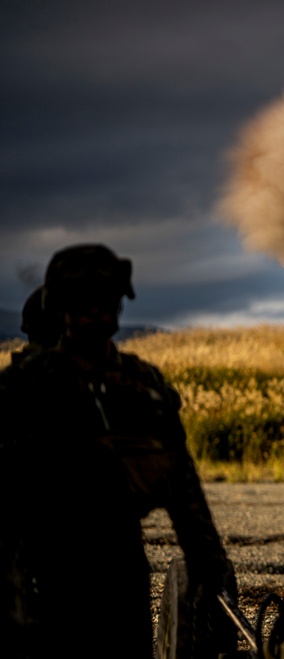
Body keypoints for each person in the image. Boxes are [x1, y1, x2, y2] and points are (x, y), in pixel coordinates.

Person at [0, 243, 233, 658]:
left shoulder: (143, 386)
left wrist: (207, 563)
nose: (95, 311)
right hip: (43, 568)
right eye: (82, 302)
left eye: (104, 300)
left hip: (121, 567)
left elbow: (182, 481)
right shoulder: (26, 386)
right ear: (61, 308)